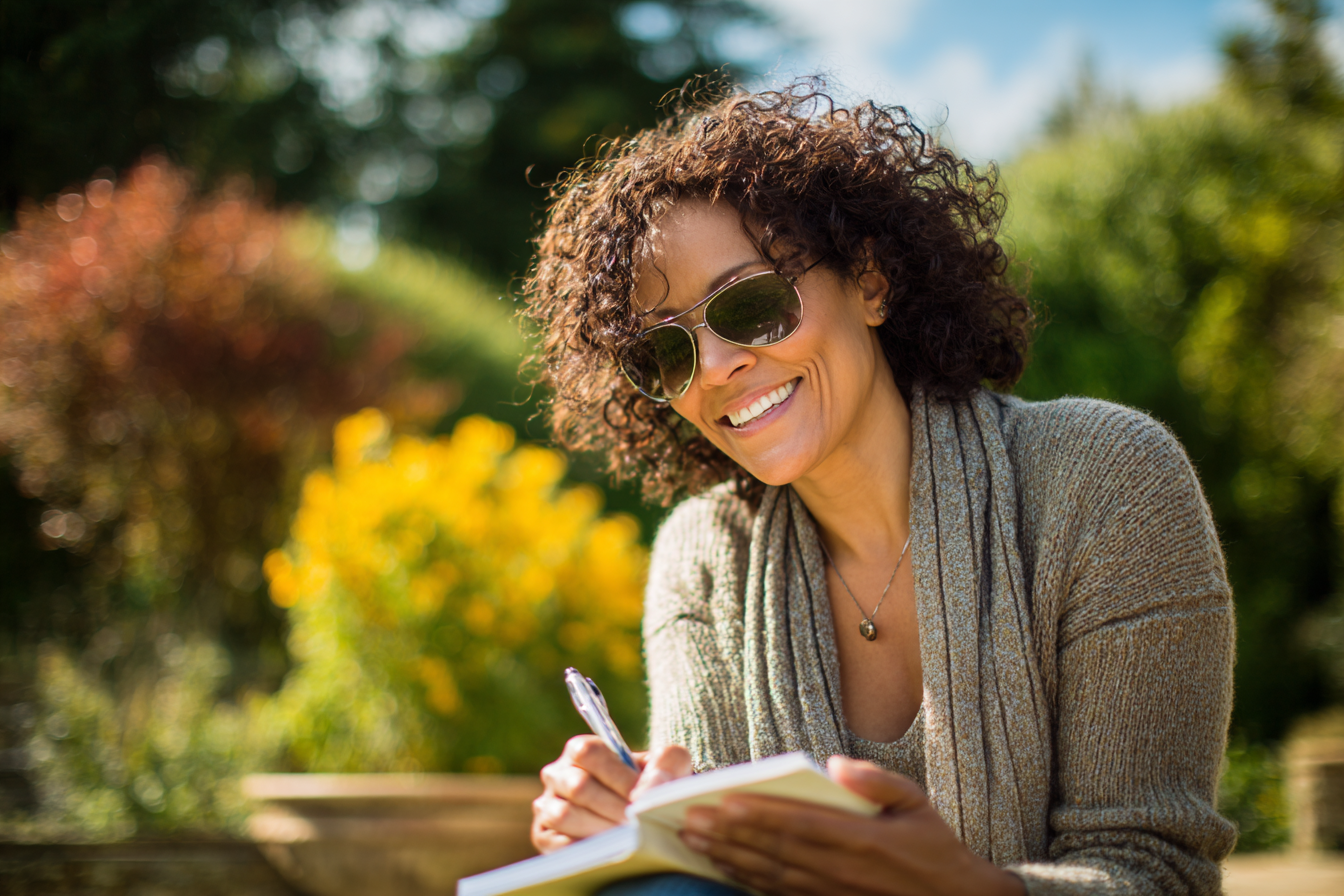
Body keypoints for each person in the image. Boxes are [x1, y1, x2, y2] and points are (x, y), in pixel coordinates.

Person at [523, 82, 1236, 895]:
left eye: (750, 305)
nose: (716, 368)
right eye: (667, 355)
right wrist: (617, 827)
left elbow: (1160, 874)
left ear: (869, 281)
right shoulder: (705, 556)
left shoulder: (1106, 480)